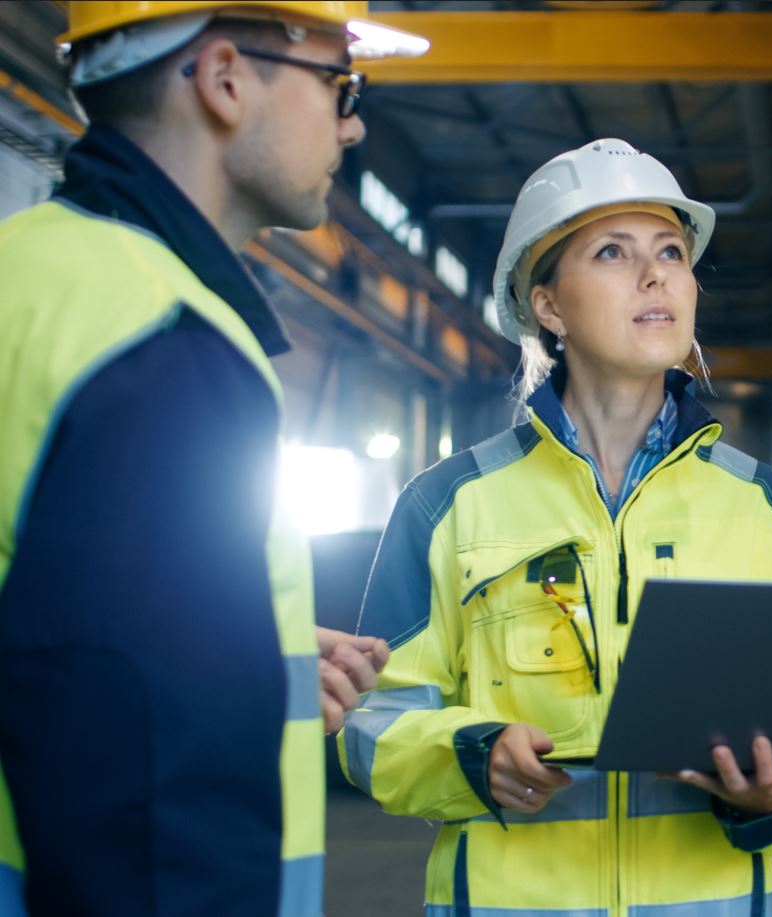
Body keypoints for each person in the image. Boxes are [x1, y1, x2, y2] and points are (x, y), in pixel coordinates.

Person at [340, 138, 772, 916]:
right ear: (548, 305)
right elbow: (372, 724)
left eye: (672, 252)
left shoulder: (762, 508)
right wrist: (471, 755)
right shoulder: (448, 503)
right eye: (613, 252)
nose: (654, 275)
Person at [0, 2, 426, 913]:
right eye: (340, 85)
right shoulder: (164, 341)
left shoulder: (28, 274)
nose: (351, 123)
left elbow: (60, 641)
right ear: (227, 79)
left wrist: (232, 658)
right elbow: (150, 791)